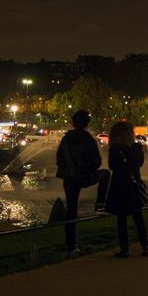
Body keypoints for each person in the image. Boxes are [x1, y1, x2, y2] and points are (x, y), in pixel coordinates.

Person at [55, 109, 107, 254]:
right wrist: (87, 170)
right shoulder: (88, 139)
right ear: (87, 123)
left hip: (70, 179)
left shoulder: (66, 139)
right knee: (106, 174)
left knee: (71, 211)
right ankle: (101, 204)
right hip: (84, 177)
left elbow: (59, 158)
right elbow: (97, 161)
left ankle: (71, 244)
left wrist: (69, 170)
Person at [105, 121, 148, 258]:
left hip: (120, 186)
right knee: (138, 218)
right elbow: (140, 163)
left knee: (121, 219)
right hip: (134, 186)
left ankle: (124, 249)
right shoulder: (137, 147)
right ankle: (145, 246)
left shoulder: (115, 149)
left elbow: (112, 166)